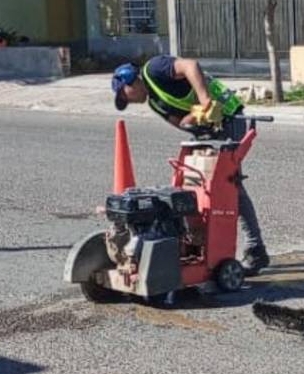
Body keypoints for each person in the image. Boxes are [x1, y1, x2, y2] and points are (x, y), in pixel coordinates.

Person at [111, 56, 269, 274]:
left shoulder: (154, 69)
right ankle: (199, 243)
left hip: (228, 117)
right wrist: (195, 117)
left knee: (229, 185)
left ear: (130, 81)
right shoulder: (155, 103)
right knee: (194, 185)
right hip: (208, 130)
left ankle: (255, 249)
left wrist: (205, 101)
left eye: (124, 95)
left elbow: (190, 65)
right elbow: (181, 122)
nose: (127, 101)